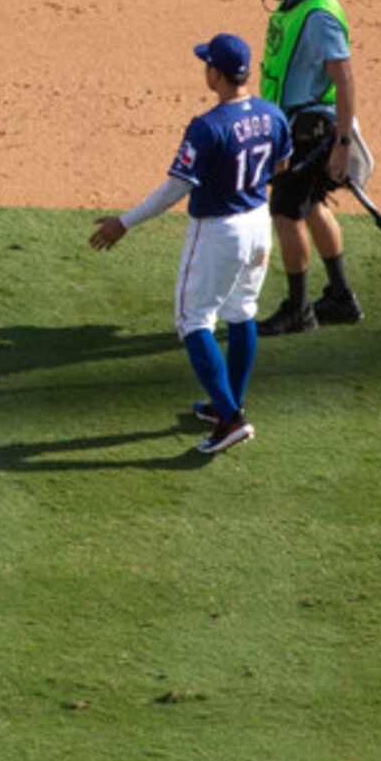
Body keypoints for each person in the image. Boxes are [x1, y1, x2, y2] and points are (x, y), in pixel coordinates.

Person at [90, 34, 289, 457]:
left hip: (219, 230)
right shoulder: (273, 114)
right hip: (259, 223)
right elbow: (281, 164)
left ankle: (231, 419)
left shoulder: (207, 127)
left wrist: (124, 223)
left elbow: (176, 189)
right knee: (242, 312)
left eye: (206, 64)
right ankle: (227, 406)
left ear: (215, 73)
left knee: (194, 321)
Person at [249, 0, 364, 334]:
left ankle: (299, 309)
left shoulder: (319, 17)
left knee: (285, 213)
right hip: (299, 126)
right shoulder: (301, 7)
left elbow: (344, 79)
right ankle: (341, 297)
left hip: (310, 132)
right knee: (313, 206)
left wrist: (341, 143)